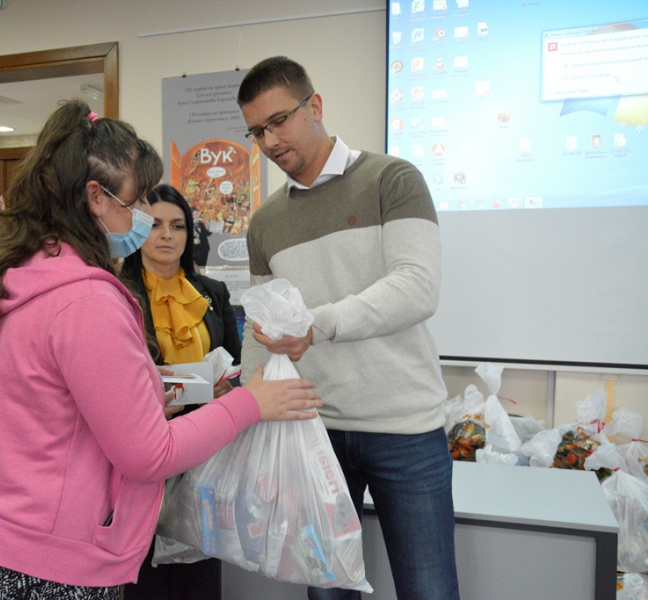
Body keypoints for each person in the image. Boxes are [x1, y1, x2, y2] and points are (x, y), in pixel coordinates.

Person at [0, 100, 321, 600]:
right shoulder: (86, 300)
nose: (149, 216)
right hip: (53, 559)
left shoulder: (21, 273)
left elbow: (45, 408)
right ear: (96, 199)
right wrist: (251, 403)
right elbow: (149, 455)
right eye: (140, 199)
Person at [236, 56, 459, 600]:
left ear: (314, 107)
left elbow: (416, 287)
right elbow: (259, 323)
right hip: (314, 433)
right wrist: (247, 399)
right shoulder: (265, 222)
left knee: (428, 589)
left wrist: (320, 323)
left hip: (405, 429)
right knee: (327, 591)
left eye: (279, 121)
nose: (269, 141)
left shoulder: (393, 179)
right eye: (257, 131)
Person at [120, 183, 241, 600]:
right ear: (137, 229)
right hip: (145, 454)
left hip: (207, 451)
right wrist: (205, 384)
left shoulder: (213, 293)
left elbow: (236, 369)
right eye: (154, 225)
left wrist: (222, 387)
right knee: (147, 577)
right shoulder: (115, 293)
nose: (167, 235)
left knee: (202, 575)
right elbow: (127, 386)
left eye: (178, 225)